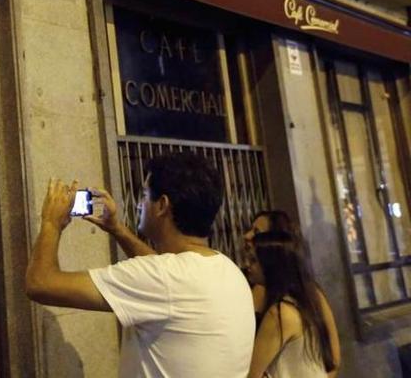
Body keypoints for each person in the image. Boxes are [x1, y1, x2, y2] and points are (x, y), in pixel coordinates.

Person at [25, 152, 255, 377]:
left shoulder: (164, 278)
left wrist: (51, 223)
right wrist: (116, 229)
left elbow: (40, 283)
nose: (138, 205)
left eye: (145, 195)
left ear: (162, 205)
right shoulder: (229, 271)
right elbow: (163, 274)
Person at [243, 210, 341, 377]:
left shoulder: (302, 298)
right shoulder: (248, 285)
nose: (247, 236)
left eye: (257, 233)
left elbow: (332, 360)